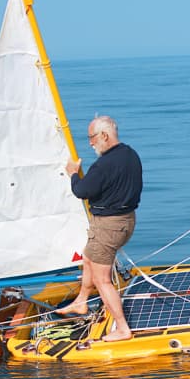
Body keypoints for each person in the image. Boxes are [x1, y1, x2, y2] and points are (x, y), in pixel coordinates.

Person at [60, 116, 143, 342]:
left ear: (104, 135)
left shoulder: (104, 165)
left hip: (108, 226)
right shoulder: (130, 155)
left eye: (92, 138)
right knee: (88, 257)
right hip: (126, 221)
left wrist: (73, 174)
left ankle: (123, 329)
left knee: (102, 280)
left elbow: (82, 191)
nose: (90, 143)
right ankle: (81, 301)